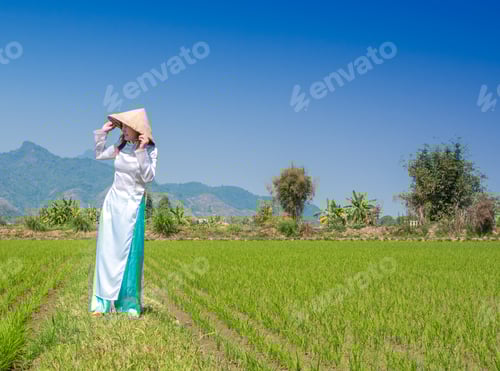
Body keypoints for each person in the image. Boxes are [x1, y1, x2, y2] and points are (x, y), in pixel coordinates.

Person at [89, 107, 158, 317]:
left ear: (138, 130)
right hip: (113, 204)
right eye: (123, 126)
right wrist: (103, 132)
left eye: (127, 126)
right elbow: (100, 154)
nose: (124, 130)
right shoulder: (121, 147)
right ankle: (100, 304)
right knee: (106, 251)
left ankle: (128, 304)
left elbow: (148, 177)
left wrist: (141, 150)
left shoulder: (149, 151)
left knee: (130, 254)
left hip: (133, 205)